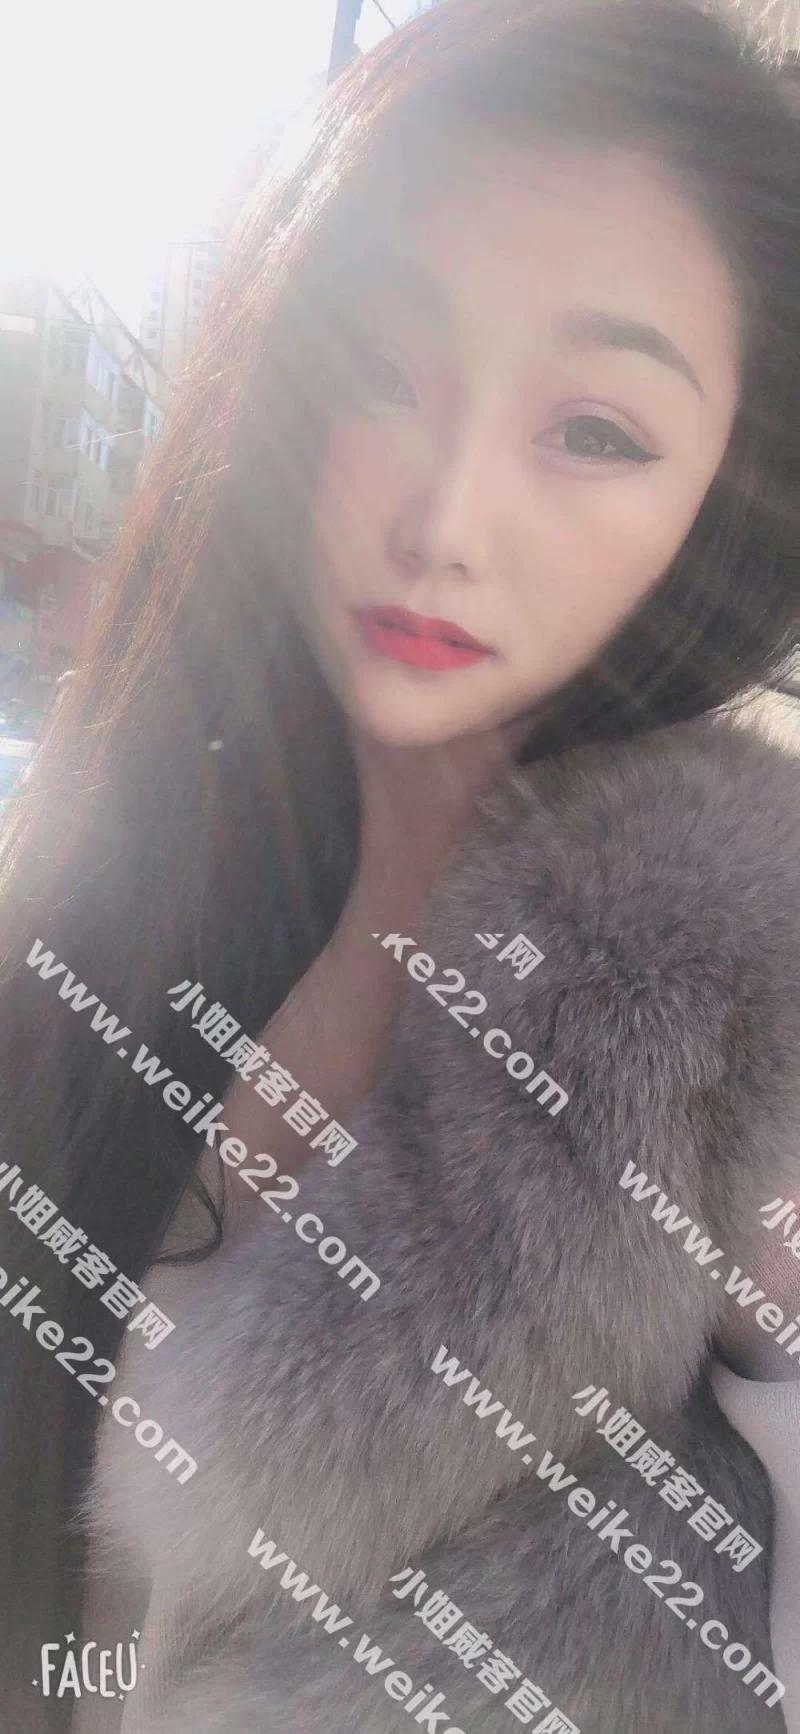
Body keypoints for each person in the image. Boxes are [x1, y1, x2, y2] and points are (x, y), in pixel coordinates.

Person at [0, 0, 798, 1729]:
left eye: (596, 430)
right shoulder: (116, 886)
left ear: (727, 489)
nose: (443, 517)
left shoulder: (752, 1025)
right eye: (380, 367)